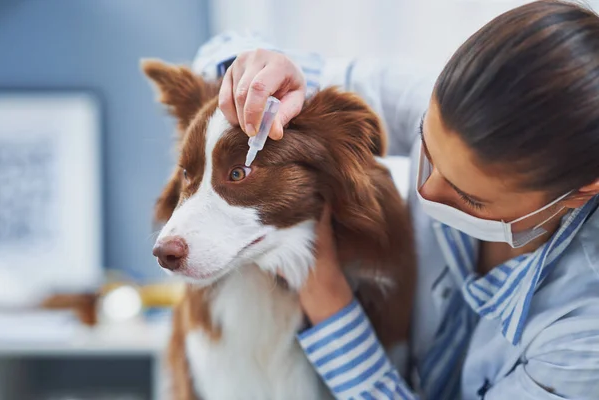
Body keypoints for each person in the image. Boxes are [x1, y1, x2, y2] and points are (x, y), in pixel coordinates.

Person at [192, 1, 599, 399]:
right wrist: (256, 78)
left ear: (584, 189)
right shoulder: (447, 103)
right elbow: (219, 58)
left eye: (470, 198)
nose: (427, 192)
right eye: (426, 147)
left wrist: (328, 300)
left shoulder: (583, 334)